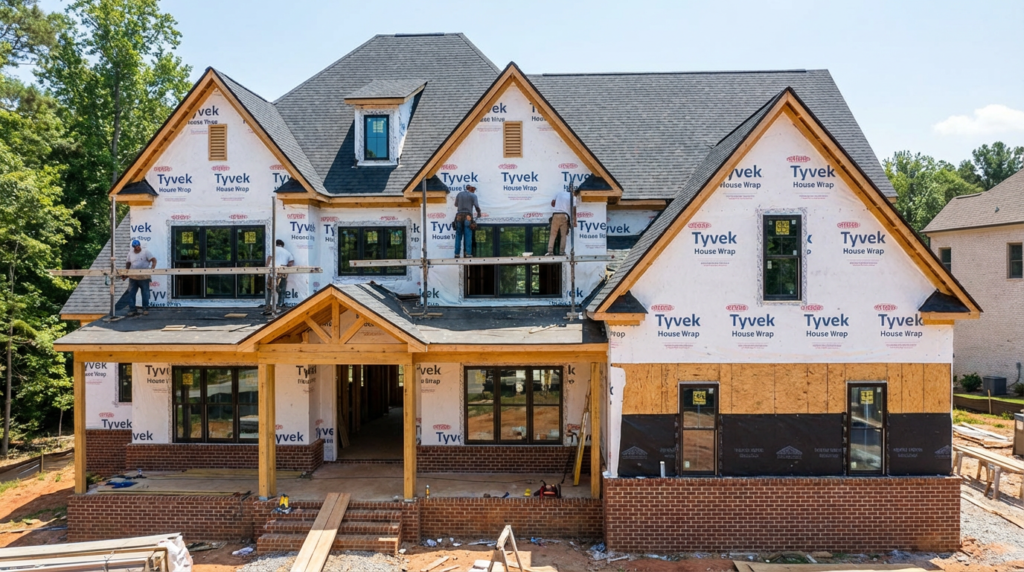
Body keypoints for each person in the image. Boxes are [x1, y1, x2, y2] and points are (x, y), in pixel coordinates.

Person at [124, 239, 157, 316]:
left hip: (144, 276)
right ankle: (132, 309)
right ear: (133, 247)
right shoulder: (130, 253)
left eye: (138, 246)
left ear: (139, 246)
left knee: (145, 293)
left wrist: (152, 268)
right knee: (131, 293)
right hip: (133, 276)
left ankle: (145, 308)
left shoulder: (145, 252)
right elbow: (128, 263)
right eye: (135, 247)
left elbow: (153, 260)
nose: (137, 248)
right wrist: (126, 273)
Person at [264, 239, 295, 314]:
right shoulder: (287, 252)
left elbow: (269, 258)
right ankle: (280, 304)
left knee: (269, 288)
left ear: (276, 244)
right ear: (282, 245)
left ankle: (268, 305)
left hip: (273, 271)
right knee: (282, 288)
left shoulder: (273, 250)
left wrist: (266, 267)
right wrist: (287, 265)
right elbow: (291, 262)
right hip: (283, 271)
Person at [453, 184, 481, 258]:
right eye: (474, 189)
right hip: (468, 216)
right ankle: (468, 253)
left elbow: (456, 205)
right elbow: (477, 206)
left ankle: (457, 253)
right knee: (468, 235)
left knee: (458, 235)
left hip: (459, 216)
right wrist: (479, 213)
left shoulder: (459, 194)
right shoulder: (473, 196)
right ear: (471, 188)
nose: (474, 190)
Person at [546, 186, 575, 255]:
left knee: (553, 234)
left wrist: (559, 205)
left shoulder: (559, 193)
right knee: (563, 235)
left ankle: (550, 252)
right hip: (564, 216)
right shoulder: (572, 197)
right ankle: (562, 252)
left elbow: (552, 203)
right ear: (573, 192)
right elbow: (574, 209)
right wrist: (574, 220)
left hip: (556, 215)